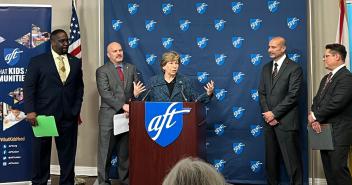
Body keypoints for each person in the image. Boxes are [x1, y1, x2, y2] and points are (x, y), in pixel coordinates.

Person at [24, 29, 84, 185]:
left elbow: (79, 88)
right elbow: (29, 88)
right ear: (52, 42)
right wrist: (30, 111)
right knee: (41, 155)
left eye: (67, 40)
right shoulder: (38, 61)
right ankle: (39, 183)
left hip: (68, 117)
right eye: (61, 41)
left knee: (68, 156)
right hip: (43, 117)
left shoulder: (75, 62)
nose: (65, 43)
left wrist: (75, 109)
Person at [96, 42, 145, 185]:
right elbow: (105, 94)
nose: (118, 53)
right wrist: (123, 105)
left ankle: (125, 181)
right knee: (105, 153)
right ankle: (104, 182)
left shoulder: (131, 68)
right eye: (114, 51)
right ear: (108, 54)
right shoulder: (102, 71)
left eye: (120, 50)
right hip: (108, 118)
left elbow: (136, 92)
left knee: (125, 154)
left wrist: (134, 98)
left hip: (127, 117)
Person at [308, 44, 352, 185]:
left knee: (338, 171)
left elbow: (337, 103)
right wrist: (315, 118)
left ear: (337, 57)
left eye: (326, 56)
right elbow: (317, 101)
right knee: (329, 172)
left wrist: (315, 116)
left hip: (339, 133)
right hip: (323, 131)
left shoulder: (347, 78)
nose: (324, 59)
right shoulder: (326, 78)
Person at [258, 36, 303, 185]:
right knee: (271, 162)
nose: (269, 50)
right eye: (269, 47)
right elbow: (262, 93)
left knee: (292, 162)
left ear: (283, 48)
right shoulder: (265, 68)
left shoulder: (294, 68)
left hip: (286, 122)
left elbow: (293, 95)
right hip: (269, 122)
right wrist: (268, 115)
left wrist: (275, 114)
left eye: (273, 47)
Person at [142, 51, 214, 102]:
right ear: (163, 66)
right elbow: (143, 101)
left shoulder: (185, 81)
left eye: (176, 63)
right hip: (159, 119)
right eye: (171, 63)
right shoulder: (154, 81)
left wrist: (208, 94)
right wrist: (136, 95)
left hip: (180, 119)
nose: (175, 66)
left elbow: (195, 100)